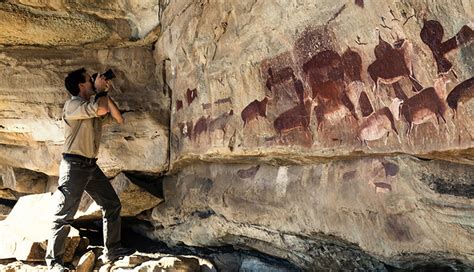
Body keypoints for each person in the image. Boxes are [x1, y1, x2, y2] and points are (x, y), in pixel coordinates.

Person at [46, 68, 133, 271]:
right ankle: (54, 264)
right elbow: (101, 110)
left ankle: (112, 250)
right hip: (74, 166)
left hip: (90, 166)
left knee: (111, 204)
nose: (92, 81)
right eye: (89, 80)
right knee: (64, 215)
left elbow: (118, 118)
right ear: (81, 85)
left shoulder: (92, 105)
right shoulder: (73, 105)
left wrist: (103, 92)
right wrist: (100, 91)